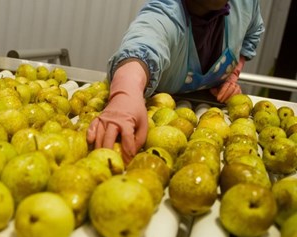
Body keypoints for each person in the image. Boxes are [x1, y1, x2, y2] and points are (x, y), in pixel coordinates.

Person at [86, 0, 264, 164]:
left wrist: (233, 73)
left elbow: (253, 30)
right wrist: (125, 92)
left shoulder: (245, 4)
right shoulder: (167, 11)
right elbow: (143, 45)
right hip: (158, 111)